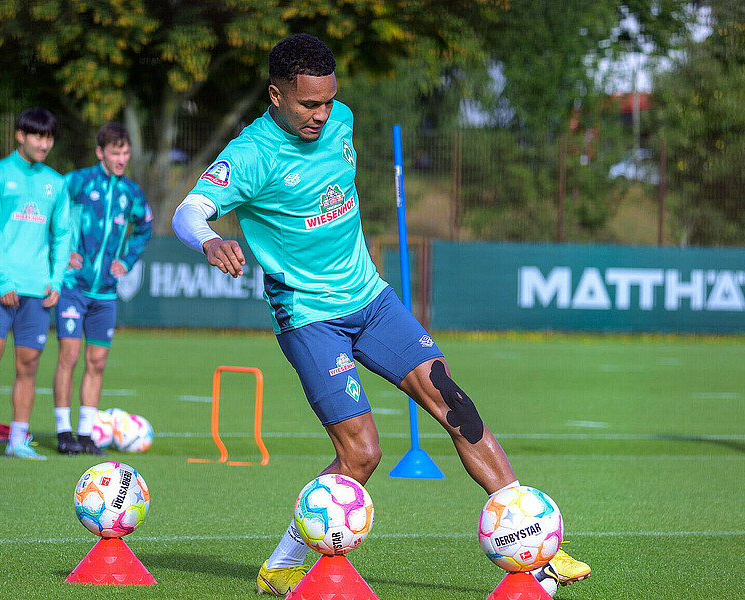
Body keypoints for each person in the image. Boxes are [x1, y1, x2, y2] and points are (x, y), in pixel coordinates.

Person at [171, 33, 591, 596]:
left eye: (328, 100)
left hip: (371, 300)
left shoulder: (342, 120)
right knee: (363, 454)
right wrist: (206, 240)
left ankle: (537, 547)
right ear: (275, 95)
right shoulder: (251, 156)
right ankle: (284, 563)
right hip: (309, 317)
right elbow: (187, 210)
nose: (322, 114)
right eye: (308, 104)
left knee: (457, 405)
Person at [0, 107, 71, 461]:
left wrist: (56, 280)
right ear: (20, 135)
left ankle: (18, 440)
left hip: (38, 290)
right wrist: (3, 279)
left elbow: (63, 235)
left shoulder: (56, 182)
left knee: (29, 365)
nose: (44, 143)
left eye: (49, 137)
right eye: (38, 136)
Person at [52, 123, 153, 455]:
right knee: (69, 356)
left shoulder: (131, 193)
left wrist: (127, 260)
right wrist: (62, 251)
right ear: (100, 153)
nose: (121, 159)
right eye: (115, 152)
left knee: (97, 362)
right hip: (73, 287)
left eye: (125, 152)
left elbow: (144, 228)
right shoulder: (79, 182)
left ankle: (85, 433)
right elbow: (52, 212)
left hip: (106, 293)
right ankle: (63, 430)